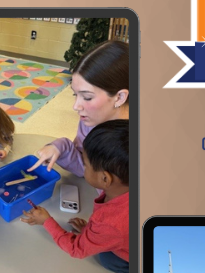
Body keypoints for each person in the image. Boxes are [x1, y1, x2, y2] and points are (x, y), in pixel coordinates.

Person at [21, 120, 130, 273]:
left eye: (85, 165)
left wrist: (47, 221)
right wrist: (91, 232)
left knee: (108, 258)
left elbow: (76, 248)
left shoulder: (109, 223)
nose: (82, 167)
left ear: (105, 179)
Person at [27, 40, 130, 177]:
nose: (76, 106)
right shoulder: (89, 121)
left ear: (120, 97)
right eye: (75, 94)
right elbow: (86, 168)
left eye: (87, 97)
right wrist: (61, 147)